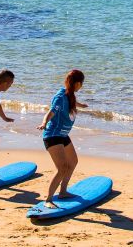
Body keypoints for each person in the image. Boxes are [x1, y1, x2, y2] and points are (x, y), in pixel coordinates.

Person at [38, 69, 88, 208]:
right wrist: (44, 122)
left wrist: (80, 105)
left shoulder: (70, 94)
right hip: (53, 135)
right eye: (82, 83)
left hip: (63, 135)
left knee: (73, 161)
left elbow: (71, 102)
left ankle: (63, 191)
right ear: (77, 83)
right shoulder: (60, 97)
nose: (82, 86)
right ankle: (48, 199)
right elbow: (51, 111)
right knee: (62, 168)